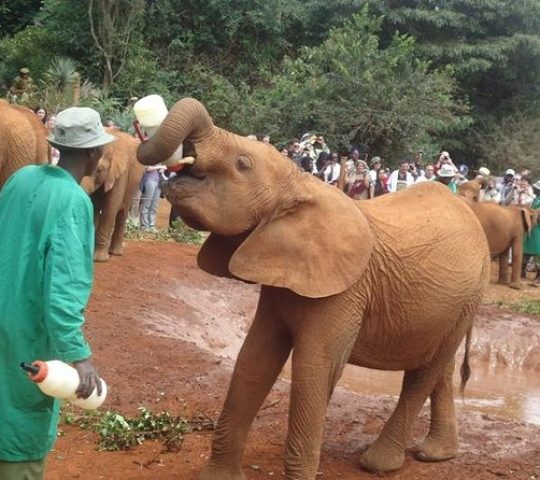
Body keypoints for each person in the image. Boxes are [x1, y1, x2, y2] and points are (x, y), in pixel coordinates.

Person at [0, 107, 112, 479]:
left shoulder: (19, 179)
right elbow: (63, 290)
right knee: (21, 420)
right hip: (28, 332)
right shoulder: (74, 201)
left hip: (4, 311)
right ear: (94, 153)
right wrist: (77, 356)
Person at [523, 180, 540, 284]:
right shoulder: (535, 199)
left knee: (539, 253)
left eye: (537, 188)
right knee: (526, 250)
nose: (535, 189)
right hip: (532, 228)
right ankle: (521, 272)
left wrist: (533, 213)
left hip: (538, 229)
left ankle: (539, 276)